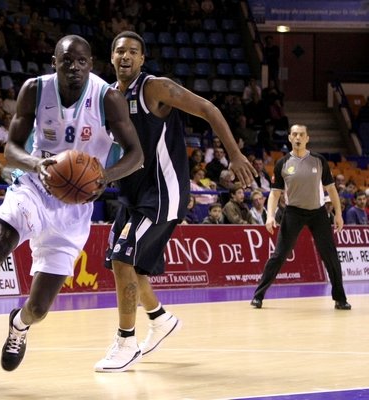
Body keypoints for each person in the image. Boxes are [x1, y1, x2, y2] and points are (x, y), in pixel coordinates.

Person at [0, 35, 144, 373]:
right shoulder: (35, 89)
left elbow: (136, 155)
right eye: (66, 61)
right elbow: (11, 148)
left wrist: (105, 177)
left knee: (39, 308)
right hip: (35, 187)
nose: (74, 67)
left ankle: (20, 326)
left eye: (81, 61)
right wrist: (34, 164)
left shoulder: (107, 97)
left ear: (91, 64)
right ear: (54, 63)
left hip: (76, 207)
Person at [94, 31, 255, 373]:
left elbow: (208, 109)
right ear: (111, 58)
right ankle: (160, 318)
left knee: (124, 260)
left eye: (133, 52)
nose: (126, 56)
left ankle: (125, 343)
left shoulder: (155, 87)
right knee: (126, 265)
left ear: (141, 59)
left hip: (163, 193)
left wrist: (236, 155)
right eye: (120, 50)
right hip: (131, 194)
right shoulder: (108, 97)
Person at [250, 124, 351, 310]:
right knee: (279, 255)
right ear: (289, 138)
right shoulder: (282, 163)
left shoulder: (319, 161)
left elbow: (331, 189)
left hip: (318, 212)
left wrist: (338, 214)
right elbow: (274, 193)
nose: (298, 137)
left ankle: (340, 299)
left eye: (301, 135)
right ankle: (258, 296)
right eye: (294, 134)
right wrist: (270, 216)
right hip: (293, 212)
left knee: (330, 256)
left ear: (307, 138)